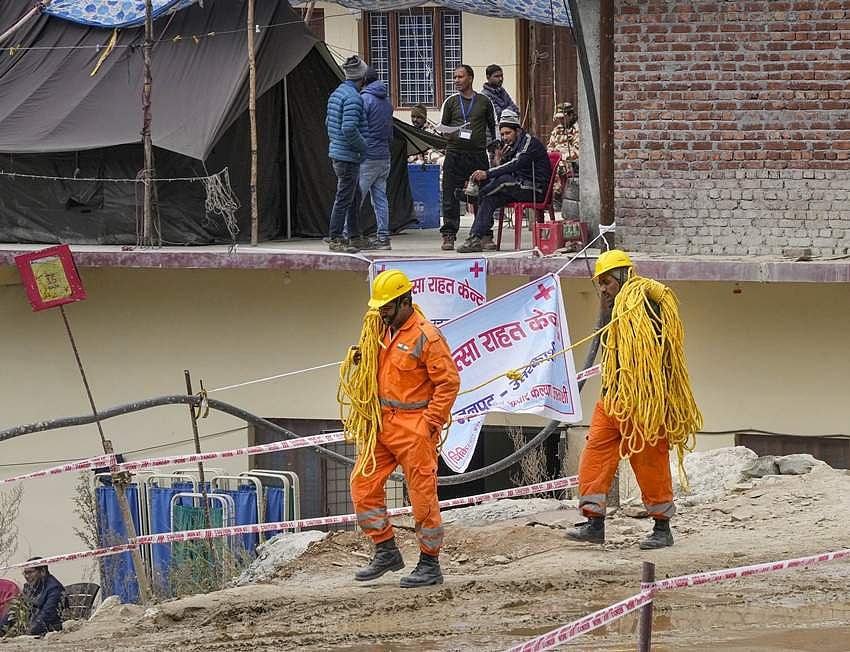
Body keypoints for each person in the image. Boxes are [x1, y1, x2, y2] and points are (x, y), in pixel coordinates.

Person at [566, 250, 702, 549]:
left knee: (650, 463)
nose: (602, 288)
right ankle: (593, 523)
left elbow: (662, 346)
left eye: (606, 281)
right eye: (599, 283)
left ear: (623, 276)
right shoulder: (615, 308)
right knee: (594, 457)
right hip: (613, 398)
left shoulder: (647, 304)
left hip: (644, 401)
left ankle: (662, 528)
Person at [349, 270, 460, 588]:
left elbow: (448, 383)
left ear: (405, 302)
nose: (380, 313)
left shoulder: (427, 336)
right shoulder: (380, 331)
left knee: (423, 499)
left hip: (414, 428)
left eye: (386, 308)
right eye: (379, 308)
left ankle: (429, 563)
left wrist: (430, 423)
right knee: (362, 486)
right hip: (383, 424)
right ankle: (386, 550)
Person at [456, 109, 551, 253]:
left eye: (508, 133)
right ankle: (474, 238)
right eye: (502, 134)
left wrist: (486, 173)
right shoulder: (510, 146)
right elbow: (504, 168)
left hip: (534, 189)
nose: (505, 137)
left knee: (503, 180)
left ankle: (475, 196)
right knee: (490, 198)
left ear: (517, 131)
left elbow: (515, 164)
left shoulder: (529, 143)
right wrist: (498, 159)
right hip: (516, 187)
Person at [437, 65, 497, 251]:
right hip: (454, 154)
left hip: (477, 155)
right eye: (454, 77)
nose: (456, 80)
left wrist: (495, 152)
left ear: (470, 78)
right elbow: (442, 128)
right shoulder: (451, 102)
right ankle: (449, 235)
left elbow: (493, 128)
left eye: (460, 77)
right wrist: (449, 135)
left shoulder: (484, 102)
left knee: (483, 194)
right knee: (449, 195)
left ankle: (484, 234)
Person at [326, 55, 369, 253]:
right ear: (362, 78)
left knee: (354, 196)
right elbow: (349, 128)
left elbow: (328, 123)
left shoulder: (336, 93)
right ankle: (335, 237)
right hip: (348, 156)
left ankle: (354, 235)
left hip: (338, 152)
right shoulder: (354, 98)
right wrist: (363, 147)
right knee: (344, 197)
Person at [359, 66, 394, 250]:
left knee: (356, 197)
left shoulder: (364, 100)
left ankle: (350, 235)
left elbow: (359, 128)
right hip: (384, 156)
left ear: (363, 81)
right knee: (380, 198)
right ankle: (383, 238)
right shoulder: (387, 102)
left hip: (368, 156)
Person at [0, 559, 64, 636]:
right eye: (25, 573)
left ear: (43, 571)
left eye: (30, 572)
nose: (26, 576)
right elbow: (16, 610)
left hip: (48, 631)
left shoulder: (54, 589)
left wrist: (25, 632)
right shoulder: (30, 587)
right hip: (29, 628)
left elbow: (46, 615)